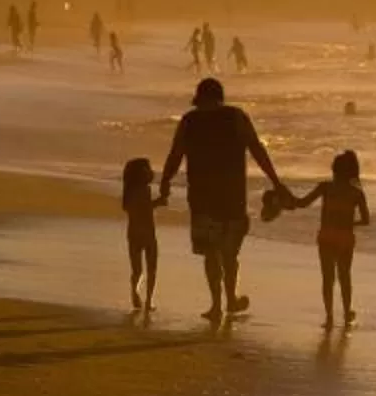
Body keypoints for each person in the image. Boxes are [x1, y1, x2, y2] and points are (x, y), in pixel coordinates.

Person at [157, 76, 286, 322]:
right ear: (220, 96)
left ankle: (216, 304)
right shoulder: (236, 117)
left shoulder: (189, 121)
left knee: (210, 253)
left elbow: (175, 154)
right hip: (233, 198)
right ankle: (231, 299)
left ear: (199, 97)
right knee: (229, 254)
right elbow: (257, 149)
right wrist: (276, 182)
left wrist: (165, 182)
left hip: (202, 199)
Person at [286, 150, 372, 328]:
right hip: (345, 237)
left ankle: (329, 317)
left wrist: (285, 197)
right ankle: (347, 313)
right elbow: (366, 220)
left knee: (327, 278)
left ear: (334, 169)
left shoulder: (325, 187)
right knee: (344, 276)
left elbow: (302, 203)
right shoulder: (356, 193)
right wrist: (350, 223)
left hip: (326, 235)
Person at [119, 157, 160, 313]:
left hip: (135, 233)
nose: (151, 172)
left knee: (139, 270)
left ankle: (139, 294)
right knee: (150, 268)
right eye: (147, 169)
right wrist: (158, 203)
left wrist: (155, 203)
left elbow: (136, 209)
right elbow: (144, 209)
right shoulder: (141, 190)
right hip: (147, 233)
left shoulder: (131, 191)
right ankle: (147, 299)